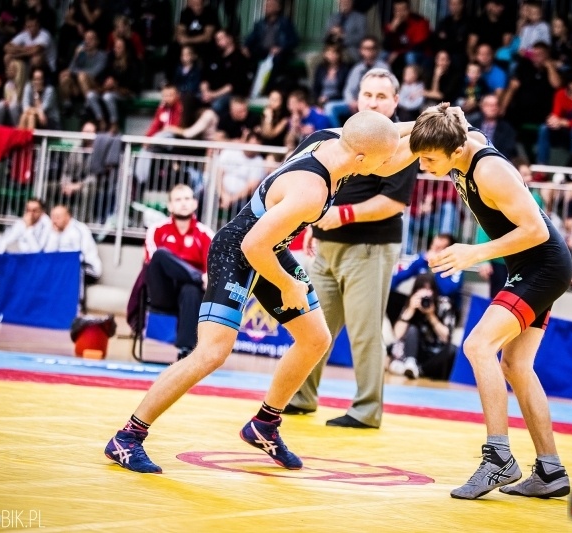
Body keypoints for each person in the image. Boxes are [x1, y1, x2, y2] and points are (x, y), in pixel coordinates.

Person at [104, 110, 401, 473]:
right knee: (211, 353)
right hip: (239, 251)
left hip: (270, 247)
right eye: (383, 160)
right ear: (360, 158)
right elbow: (252, 246)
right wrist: (288, 284)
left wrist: (433, 126)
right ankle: (128, 437)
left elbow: (385, 135)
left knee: (315, 339)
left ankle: (264, 424)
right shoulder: (310, 190)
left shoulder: (330, 138)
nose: (388, 165)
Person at [380, 103, 572, 499]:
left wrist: (475, 253)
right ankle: (551, 470)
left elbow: (537, 231)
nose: (423, 167)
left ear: (455, 150)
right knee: (516, 366)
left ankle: (498, 458)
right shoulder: (455, 137)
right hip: (531, 266)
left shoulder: (489, 170)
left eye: (430, 160)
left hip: (542, 266)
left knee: (478, 345)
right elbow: (450, 116)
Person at [285, 69, 419, 429]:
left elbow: (393, 203)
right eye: (367, 94)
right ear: (357, 98)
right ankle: (301, 396)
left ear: (395, 102)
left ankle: (366, 410)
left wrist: (340, 215)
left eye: (381, 96)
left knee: (364, 332)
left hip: (370, 247)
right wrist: (313, 224)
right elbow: (328, 182)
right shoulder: (349, 134)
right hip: (326, 245)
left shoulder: (399, 142)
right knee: (313, 327)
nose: (372, 102)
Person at [140, 184, 214, 360]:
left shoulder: (205, 234)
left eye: (187, 199)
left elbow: (211, 270)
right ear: (170, 206)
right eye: (178, 200)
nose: (183, 203)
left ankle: (185, 350)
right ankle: (195, 277)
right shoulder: (157, 230)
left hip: (191, 296)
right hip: (162, 291)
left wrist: (201, 279)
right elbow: (151, 261)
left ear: (195, 204)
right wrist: (199, 277)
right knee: (160, 255)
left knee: (191, 289)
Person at [388, 273, 457, 381]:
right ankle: (410, 365)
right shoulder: (411, 303)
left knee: (453, 350)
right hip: (412, 351)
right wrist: (410, 310)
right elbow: (396, 335)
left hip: (433, 354)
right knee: (412, 330)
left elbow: (446, 338)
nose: (425, 294)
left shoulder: (444, 304)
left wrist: (431, 315)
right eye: (421, 289)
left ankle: (419, 371)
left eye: (429, 289)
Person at [44, 205, 103, 306]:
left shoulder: (79, 229)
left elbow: (81, 255)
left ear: (68, 216)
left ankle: (78, 306)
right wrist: (55, 235)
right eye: (52, 217)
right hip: (62, 267)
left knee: (73, 269)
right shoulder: (52, 230)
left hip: (87, 268)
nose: (54, 221)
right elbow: (47, 253)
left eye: (58, 217)